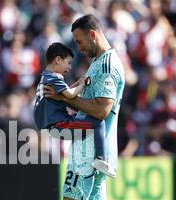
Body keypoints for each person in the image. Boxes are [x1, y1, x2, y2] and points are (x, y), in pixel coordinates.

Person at [42, 14, 129, 200]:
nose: (77, 48)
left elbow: (102, 109)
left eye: (80, 41)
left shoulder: (106, 65)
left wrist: (64, 98)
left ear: (93, 35)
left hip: (89, 149)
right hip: (91, 147)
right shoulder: (97, 64)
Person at [34, 42, 116, 177]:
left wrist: (77, 83)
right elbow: (71, 95)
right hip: (60, 124)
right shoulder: (54, 78)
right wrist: (83, 84)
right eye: (68, 63)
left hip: (52, 126)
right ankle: (101, 159)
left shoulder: (45, 77)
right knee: (98, 121)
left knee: (85, 122)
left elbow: (65, 93)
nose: (70, 67)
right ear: (58, 60)